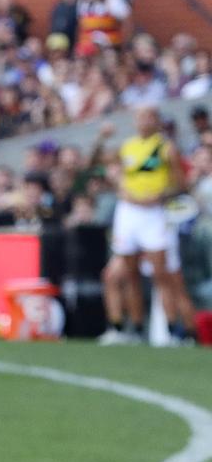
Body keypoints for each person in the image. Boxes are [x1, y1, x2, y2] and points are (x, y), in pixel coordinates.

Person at [99, 107, 186, 344]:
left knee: (161, 273)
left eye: (149, 117)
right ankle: (134, 328)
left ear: (157, 121)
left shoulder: (166, 148)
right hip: (129, 213)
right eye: (140, 117)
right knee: (129, 272)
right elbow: (97, 162)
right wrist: (102, 138)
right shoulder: (128, 146)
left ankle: (172, 330)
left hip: (153, 214)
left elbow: (180, 184)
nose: (143, 122)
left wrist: (160, 196)